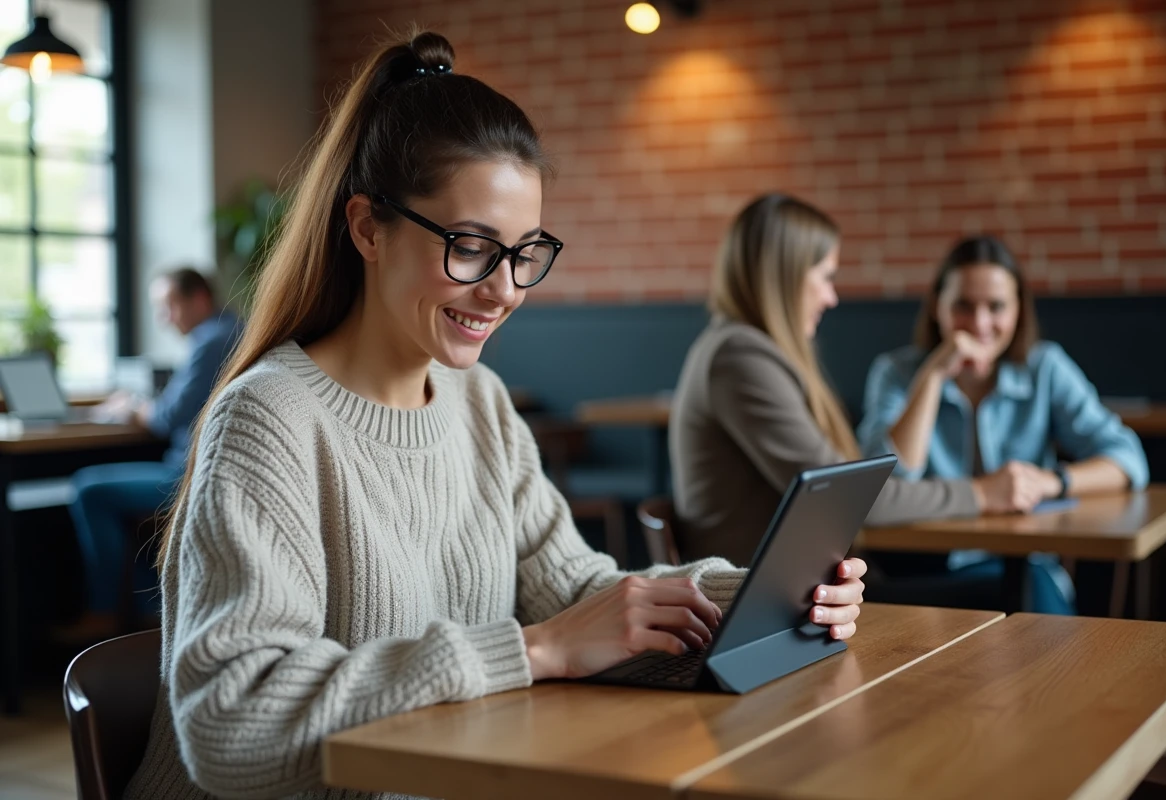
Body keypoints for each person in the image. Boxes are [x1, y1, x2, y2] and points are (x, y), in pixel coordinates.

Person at [123, 33, 867, 800]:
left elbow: (579, 594)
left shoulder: (479, 403)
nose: (505, 290)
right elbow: (232, 725)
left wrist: (763, 598)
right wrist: (536, 651)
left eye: (525, 254)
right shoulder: (270, 419)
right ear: (367, 228)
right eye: (472, 246)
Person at [671, 194, 1061, 569]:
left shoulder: (737, 349)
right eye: (826, 277)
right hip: (770, 609)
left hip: (806, 596)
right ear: (785, 279)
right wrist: (981, 494)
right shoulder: (741, 358)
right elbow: (849, 503)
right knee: (1022, 594)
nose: (832, 297)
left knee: (1018, 588)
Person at [857, 235, 1149, 614]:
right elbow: (882, 484)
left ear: (1018, 312)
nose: (979, 323)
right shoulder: (895, 373)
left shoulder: (1044, 366)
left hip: (1026, 566)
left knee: (1038, 604)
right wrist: (932, 377)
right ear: (936, 307)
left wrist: (1048, 482)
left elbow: (1128, 458)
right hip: (922, 572)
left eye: (996, 307)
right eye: (963, 305)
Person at [65, 267, 240, 636]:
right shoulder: (233, 330)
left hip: (190, 475)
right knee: (114, 500)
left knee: (88, 489)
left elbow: (167, 417)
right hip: (213, 471)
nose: (163, 319)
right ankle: (149, 613)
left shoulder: (211, 341)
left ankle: (107, 611)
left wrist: (131, 408)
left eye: (169, 306)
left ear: (200, 299)